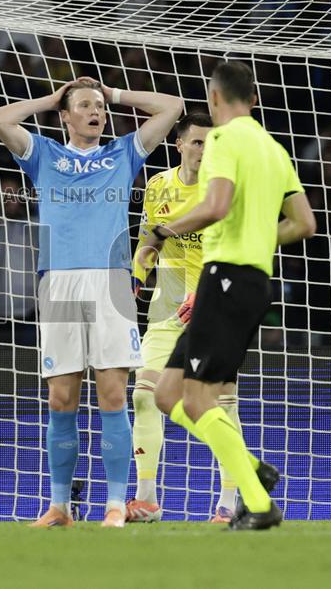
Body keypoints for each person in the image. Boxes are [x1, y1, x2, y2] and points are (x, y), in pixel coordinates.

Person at [0, 76, 183, 528]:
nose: (96, 112)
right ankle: (59, 507)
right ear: (66, 116)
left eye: (100, 107)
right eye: (85, 106)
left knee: (112, 394)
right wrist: (52, 98)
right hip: (58, 282)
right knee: (61, 398)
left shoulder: (122, 153)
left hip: (110, 281)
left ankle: (114, 504)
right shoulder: (44, 154)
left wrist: (113, 94)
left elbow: (172, 107)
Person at [137, 61, 316, 530]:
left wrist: (164, 230)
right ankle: (251, 466)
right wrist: (255, 237)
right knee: (166, 394)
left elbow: (215, 206)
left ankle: (258, 502)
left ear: (214, 99)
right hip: (252, 282)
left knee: (199, 399)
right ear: (253, 100)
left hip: (225, 279)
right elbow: (304, 223)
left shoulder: (221, 140)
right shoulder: (274, 150)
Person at [126, 112, 245, 524]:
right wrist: (135, 277)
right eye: (197, 142)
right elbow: (150, 241)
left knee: (218, 404)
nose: (204, 150)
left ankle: (229, 503)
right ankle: (146, 499)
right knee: (144, 395)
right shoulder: (158, 186)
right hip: (166, 312)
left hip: (217, 313)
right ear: (178, 144)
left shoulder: (226, 192)